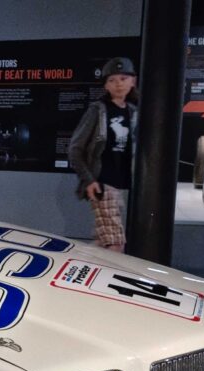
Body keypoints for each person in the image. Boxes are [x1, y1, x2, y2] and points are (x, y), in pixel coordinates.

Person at [68, 57, 139, 252]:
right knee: (116, 244)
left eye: (123, 79)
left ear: (133, 81)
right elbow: (75, 148)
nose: (118, 84)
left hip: (122, 185)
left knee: (103, 241)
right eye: (112, 80)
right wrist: (89, 180)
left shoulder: (134, 112)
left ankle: (76, 266)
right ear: (106, 85)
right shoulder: (98, 110)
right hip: (103, 183)